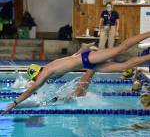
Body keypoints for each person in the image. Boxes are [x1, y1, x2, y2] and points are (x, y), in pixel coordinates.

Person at [1, 31, 150, 116]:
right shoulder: (50, 69)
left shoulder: (46, 72)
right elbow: (71, 59)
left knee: (120, 49)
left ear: (37, 73)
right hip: (87, 61)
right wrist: (83, 48)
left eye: (35, 78)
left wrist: (13, 104)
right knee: (123, 67)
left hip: (88, 59)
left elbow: (30, 91)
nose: (37, 80)